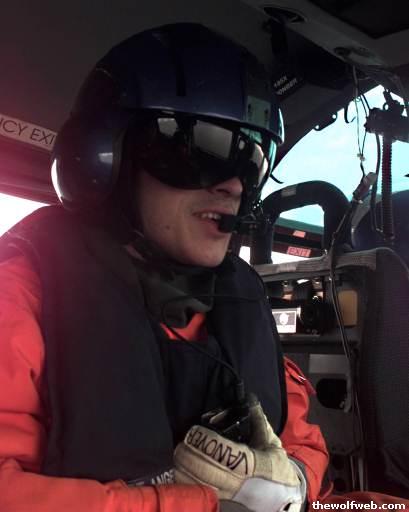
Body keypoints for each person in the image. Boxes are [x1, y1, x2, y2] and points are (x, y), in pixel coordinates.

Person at [0, 23, 407, 512]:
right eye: (202, 150)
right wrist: (207, 505)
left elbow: (303, 449)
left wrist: (294, 483)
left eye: (251, 159)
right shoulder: (22, 302)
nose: (233, 185)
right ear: (106, 156)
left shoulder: (239, 303)